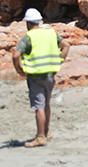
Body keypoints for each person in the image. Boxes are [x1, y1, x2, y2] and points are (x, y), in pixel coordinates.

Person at [12, 8, 68, 147]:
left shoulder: (29, 36)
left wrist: (19, 69)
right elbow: (66, 45)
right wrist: (59, 60)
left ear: (28, 23)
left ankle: (41, 137)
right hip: (50, 74)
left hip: (36, 75)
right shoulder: (51, 33)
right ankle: (47, 132)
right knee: (46, 104)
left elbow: (15, 55)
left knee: (39, 106)